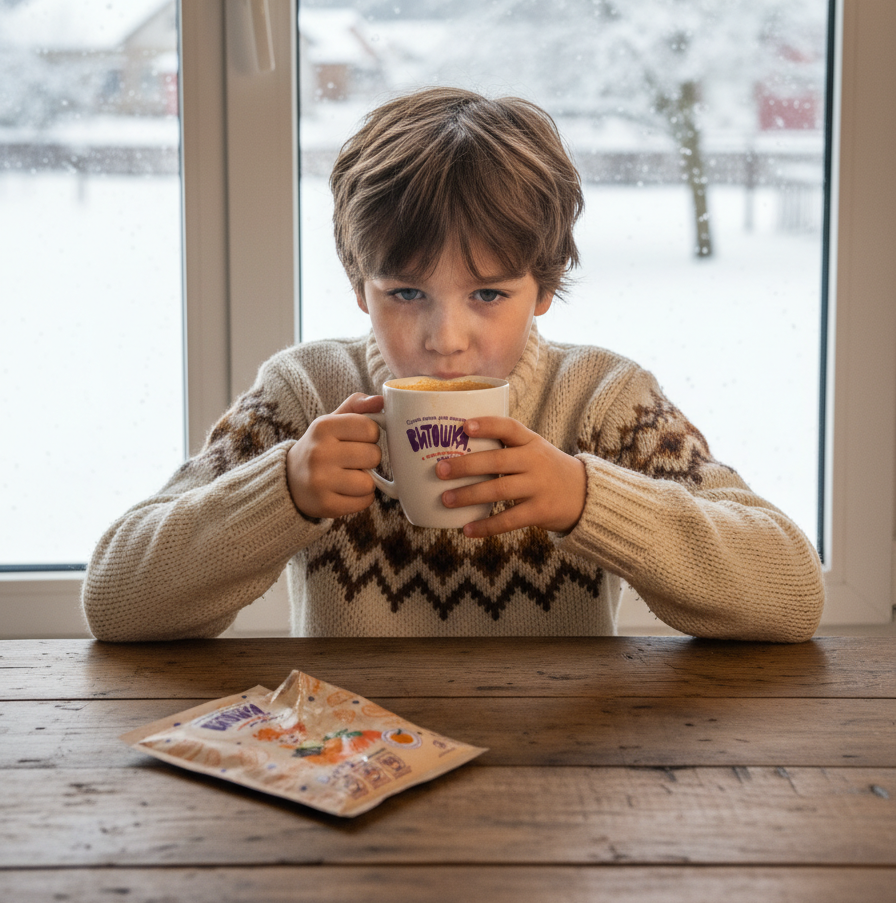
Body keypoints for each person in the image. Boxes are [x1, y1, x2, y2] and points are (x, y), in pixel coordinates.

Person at [82, 87, 825, 642]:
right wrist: (284, 491)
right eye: (405, 293)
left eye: (488, 294)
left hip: (556, 767)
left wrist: (586, 499)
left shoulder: (602, 401)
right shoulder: (305, 394)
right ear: (359, 286)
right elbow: (116, 600)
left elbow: (793, 591)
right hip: (354, 766)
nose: (445, 338)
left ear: (544, 288)